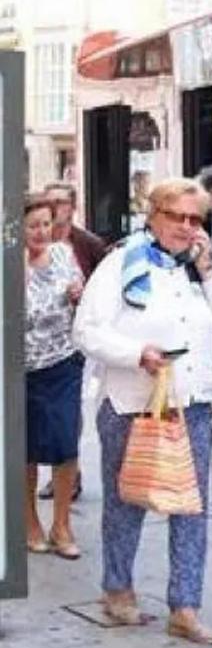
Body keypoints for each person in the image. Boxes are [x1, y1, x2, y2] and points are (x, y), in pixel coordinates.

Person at [73, 177, 212, 643]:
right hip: (132, 402)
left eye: (197, 219)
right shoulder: (120, 263)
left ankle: (185, 606)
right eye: (179, 217)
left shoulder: (196, 269)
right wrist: (137, 354)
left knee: (191, 508)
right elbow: (86, 331)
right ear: (154, 216)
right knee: (126, 500)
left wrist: (210, 272)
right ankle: (118, 590)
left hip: (188, 404)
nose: (188, 228)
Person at [24, 193, 85, 559]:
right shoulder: (10, 260)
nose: (42, 232)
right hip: (22, 368)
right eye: (34, 225)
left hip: (62, 363)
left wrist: (78, 293)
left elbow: (79, 289)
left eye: (47, 224)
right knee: (26, 448)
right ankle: (29, 521)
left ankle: (62, 525)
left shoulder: (63, 253)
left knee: (66, 444)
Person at [40, 181, 107, 502]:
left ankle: (69, 471)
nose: (54, 208)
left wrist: (84, 297)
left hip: (79, 339)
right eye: (49, 201)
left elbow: (105, 290)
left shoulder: (89, 244)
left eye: (61, 202)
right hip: (40, 342)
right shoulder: (35, 240)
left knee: (72, 407)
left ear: (73, 206)